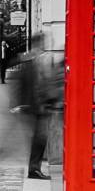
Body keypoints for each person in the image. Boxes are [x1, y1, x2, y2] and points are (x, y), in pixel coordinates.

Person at [18, 34, 62, 180]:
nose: (46, 43)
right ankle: (34, 169)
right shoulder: (39, 59)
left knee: (39, 138)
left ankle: (34, 168)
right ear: (38, 43)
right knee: (40, 138)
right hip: (39, 105)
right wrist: (47, 101)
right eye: (44, 41)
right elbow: (41, 83)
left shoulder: (31, 58)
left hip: (36, 105)